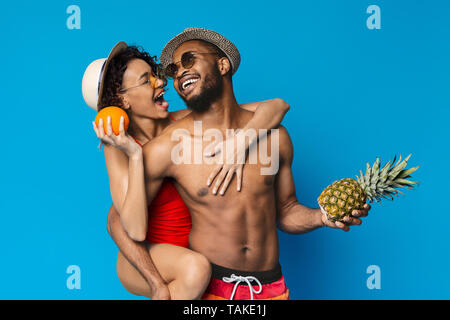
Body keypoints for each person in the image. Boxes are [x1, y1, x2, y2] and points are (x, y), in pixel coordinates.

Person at [131, 27, 372, 300]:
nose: (179, 73)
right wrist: (156, 283)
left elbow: (287, 210)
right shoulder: (169, 146)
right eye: (173, 70)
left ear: (223, 65)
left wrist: (321, 217)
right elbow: (119, 220)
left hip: (272, 290)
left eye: (189, 60)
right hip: (212, 289)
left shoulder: (275, 137)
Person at [82, 42, 291, 299]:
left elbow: (276, 106)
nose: (161, 83)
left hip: (188, 258)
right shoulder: (117, 148)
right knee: (196, 269)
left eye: (156, 75)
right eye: (146, 80)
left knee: (197, 271)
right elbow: (124, 225)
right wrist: (135, 156)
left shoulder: (183, 121)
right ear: (122, 98)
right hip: (149, 259)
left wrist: (242, 140)